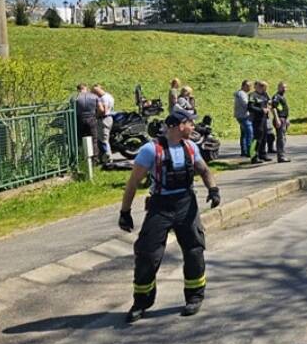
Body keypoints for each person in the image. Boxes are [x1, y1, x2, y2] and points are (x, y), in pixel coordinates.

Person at [118, 107, 220, 323]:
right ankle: (142, 302)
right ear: (177, 125)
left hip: (185, 203)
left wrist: (213, 190)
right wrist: (125, 212)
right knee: (147, 253)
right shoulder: (150, 150)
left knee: (194, 250)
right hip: (160, 205)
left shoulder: (191, 147)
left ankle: (194, 296)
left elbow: (203, 170)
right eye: (189, 123)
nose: (193, 127)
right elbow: (133, 182)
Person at [248, 81, 271, 164]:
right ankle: (254, 156)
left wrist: (269, 106)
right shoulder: (252, 95)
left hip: (264, 119)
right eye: (261, 86)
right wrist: (262, 110)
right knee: (257, 138)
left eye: (264, 86)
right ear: (256, 86)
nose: (263, 88)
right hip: (256, 119)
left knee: (264, 137)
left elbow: (269, 102)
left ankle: (263, 154)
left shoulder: (265, 94)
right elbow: (250, 107)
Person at [93, 84, 116, 166]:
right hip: (109, 118)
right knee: (103, 139)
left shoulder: (103, 98)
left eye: (94, 92)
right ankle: (103, 158)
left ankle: (109, 159)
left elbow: (104, 111)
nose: (94, 94)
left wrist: (96, 115)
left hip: (104, 119)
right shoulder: (109, 96)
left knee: (104, 140)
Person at [271, 81, 291, 163]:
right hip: (280, 119)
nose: (285, 89)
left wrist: (287, 119)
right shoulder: (277, 97)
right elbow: (273, 108)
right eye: (283, 87)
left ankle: (282, 154)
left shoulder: (282, 97)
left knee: (283, 138)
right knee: (281, 138)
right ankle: (281, 156)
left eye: (286, 87)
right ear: (279, 87)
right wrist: (277, 119)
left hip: (284, 119)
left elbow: (283, 108)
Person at [74, 84, 98, 150]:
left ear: (78, 89)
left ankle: (83, 156)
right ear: (86, 88)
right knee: (94, 140)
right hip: (92, 118)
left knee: (81, 139)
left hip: (80, 119)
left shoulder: (75, 98)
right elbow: (98, 108)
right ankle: (95, 158)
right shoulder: (94, 96)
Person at [234, 80, 253, 157]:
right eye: (248, 86)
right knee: (249, 133)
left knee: (244, 134)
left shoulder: (241, 93)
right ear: (244, 86)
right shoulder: (242, 94)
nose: (250, 88)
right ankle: (249, 151)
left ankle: (244, 150)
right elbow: (246, 104)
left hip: (240, 115)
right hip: (244, 116)